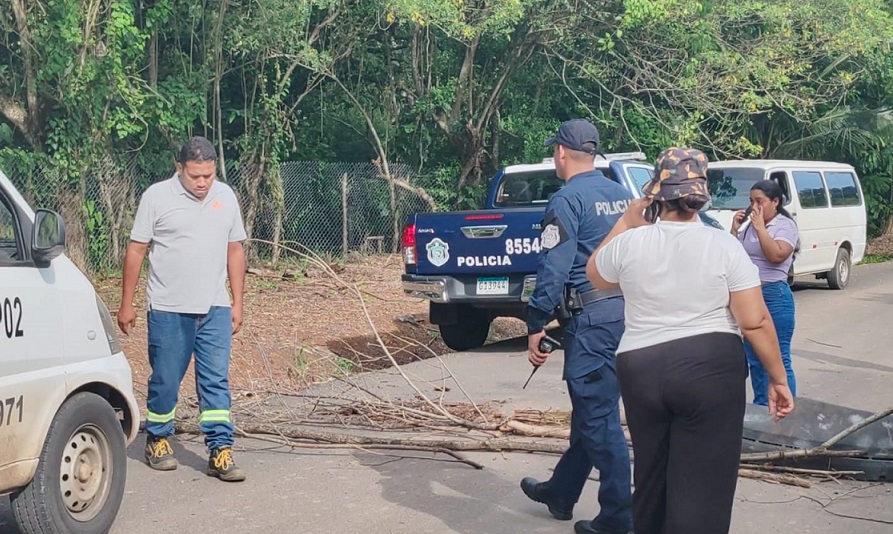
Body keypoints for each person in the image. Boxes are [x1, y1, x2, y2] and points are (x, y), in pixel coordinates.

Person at [586, 147, 795, 534]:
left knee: (652, 476)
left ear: (657, 193)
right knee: (704, 485)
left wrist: (627, 220)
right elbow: (754, 322)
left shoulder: (631, 243)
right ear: (702, 194)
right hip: (709, 370)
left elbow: (595, 274)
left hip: (641, 370)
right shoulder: (724, 246)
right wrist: (778, 379)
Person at [519, 119, 634, 534]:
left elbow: (554, 267)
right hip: (627, 316)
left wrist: (535, 322)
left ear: (562, 153)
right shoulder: (622, 195)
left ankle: (620, 517)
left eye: (554, 151)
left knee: (598, 418)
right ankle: (562, 492)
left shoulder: (567, 199)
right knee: (592, 411)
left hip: (590, 320)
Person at [118, 136, 248, 482]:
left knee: (215, 381)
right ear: (180, 169)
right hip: (168, 308)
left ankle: (220, 449)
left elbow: (235, 249)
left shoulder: (226, 196)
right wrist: (126, 304)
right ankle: (158, 440)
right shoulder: (157, 197)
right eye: (195, 176)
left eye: (208, 175)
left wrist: (238, 301)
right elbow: (136, 250)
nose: (203, 183)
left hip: (215, 307)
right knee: (165, 379)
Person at [730, 180, 799, 406]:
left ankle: (786, 412)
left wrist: (760, 228)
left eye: (759, 201)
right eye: (751, 201)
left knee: (779, 357)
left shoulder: (784, 226)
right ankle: (761, 408)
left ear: (775, 202)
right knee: (756, 359)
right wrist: (735, 229)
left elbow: (776, 255)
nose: (754, 207)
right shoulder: (749, 227)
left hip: (775, 295)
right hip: (751, 295)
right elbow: (732, 256)